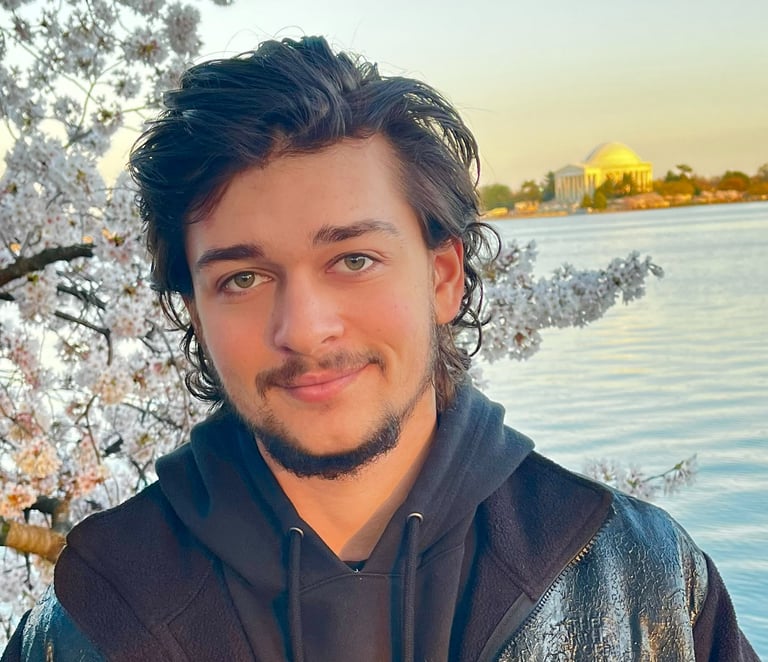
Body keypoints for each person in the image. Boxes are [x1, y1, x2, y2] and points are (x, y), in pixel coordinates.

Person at [2, 36, 758, 662]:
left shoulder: (644, 584)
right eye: (243, 278)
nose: (304, 328)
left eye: (354, 259)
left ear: (443, 276)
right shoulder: (87, 625)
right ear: (195, 314)